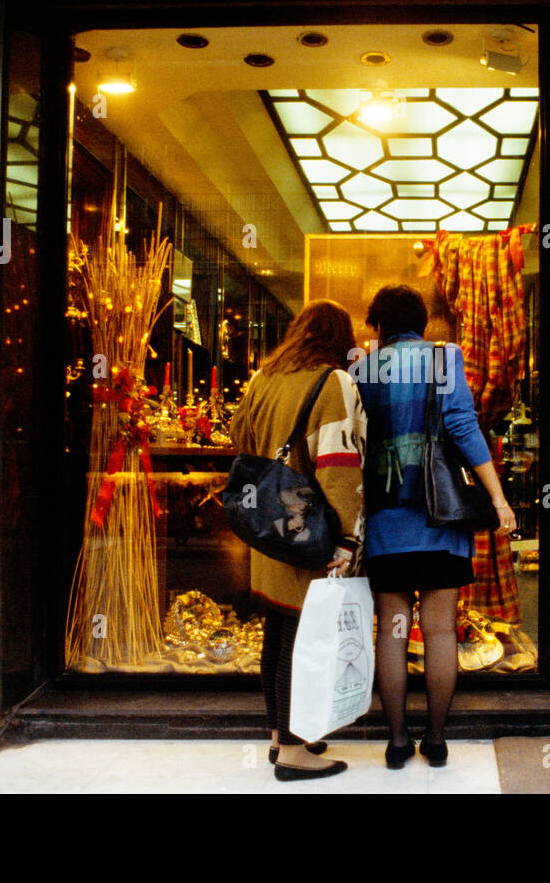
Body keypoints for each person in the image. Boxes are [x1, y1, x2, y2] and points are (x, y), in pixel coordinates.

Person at [352, 285, 516, 768]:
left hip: (386, 516)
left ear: (379, 324)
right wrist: (497, 496)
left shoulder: (363, 367)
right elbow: (463, 426)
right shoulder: (445, 359)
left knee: (392, 633)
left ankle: (397, 742)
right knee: (441, 632)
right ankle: (438, 740)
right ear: (422, 323)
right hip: (440, 517)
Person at [228, 299, 367, 782]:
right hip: (307, 530)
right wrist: (349, 538)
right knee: (302, 640)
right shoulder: (333, 382)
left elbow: (238, 435)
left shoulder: (263, 378)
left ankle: (278, 734)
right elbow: (337, 466)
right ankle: (292, 752)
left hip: (267, 528)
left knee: (278, 632)